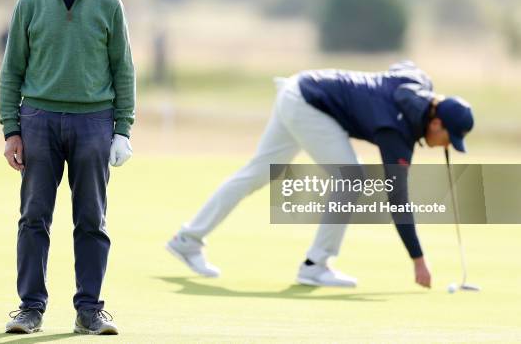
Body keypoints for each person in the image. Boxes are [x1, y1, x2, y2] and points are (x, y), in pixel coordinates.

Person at [166, 61, 473, 288]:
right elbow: (398, 200)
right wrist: (418, 260)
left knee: (256, 173)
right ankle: (316, 265)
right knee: (352, 178)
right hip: (308, 103)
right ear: (436, 124)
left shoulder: (419, 82)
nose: (446, 146)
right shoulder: (395, 131)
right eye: (450, 139)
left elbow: (403, 67)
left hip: (298, 88)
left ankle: (188, 239)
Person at [0, 0, 135, 335]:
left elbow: (123, 71)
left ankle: (90, 309)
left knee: (92, 218)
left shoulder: (109, 4)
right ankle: (30, 308)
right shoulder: (29, 3)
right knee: (34, 216)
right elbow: (11, 72)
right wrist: (11, 130)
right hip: (37, 119)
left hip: (94, 121)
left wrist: (123, 129)